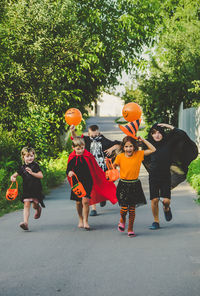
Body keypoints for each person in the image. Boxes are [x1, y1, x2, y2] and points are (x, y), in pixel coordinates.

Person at [144, 123, 199, 230]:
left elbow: (181, 134)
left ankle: (166, 208)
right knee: (154, 200)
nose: (157, 135)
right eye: (154, 133)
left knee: (166, 200)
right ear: (151, 135)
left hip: (166, 176)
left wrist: (167, 125)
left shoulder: (169, 142)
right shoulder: (148, 143)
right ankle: (156, 221)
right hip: (153, 177)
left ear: (163, 133)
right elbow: (130, 146)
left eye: (159, 132)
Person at [66, 137, 118, 230]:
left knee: (85, 201)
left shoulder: (88, 156)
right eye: (78, 149)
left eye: (82, 148)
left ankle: (86, 221)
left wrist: (102, 178)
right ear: (73, 148)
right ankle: (80, 219)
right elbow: (68, 169)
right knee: (78, 202)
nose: (81, 150)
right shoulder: (72, 157)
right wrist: (69, 172)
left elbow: (95, 168)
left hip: (87, 181)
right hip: (76, 182)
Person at [70, 124, 120, 216]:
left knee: (103, 185)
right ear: (88, 134)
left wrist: (111, 149)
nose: (94, 137)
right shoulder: (86, 140)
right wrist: (72, 131)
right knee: (92, 187)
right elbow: (76, 140)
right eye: (92, 135)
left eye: (96, 135)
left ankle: (103, 198)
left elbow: (119, 144)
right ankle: (93, 208)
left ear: (99, 133)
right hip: (89, 167)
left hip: (102, 167)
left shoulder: (103, 140)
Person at [113, 135, 156, 237]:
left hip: (134, 185)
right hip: (123, 184)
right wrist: (111, 169)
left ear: (134, 147)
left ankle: (130, 229)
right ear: (123, 147)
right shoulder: (120, 157)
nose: (129, 149)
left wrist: (143, 140)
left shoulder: (139, 154)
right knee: (124, 209)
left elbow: (153, 149)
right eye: (126, 146)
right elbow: (113, 166)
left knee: (132, 209)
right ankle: (122, 220)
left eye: (131, 146)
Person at [10, 147, 45, 231]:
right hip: (27, 189)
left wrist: (32, 173)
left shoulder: (35, 165)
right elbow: (14, 175)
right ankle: (25, 223)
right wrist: (12, 178)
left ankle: (38, 209)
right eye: (27, 156)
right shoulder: (22, 168)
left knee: (35, 205)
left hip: (36, 189)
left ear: (34, 156)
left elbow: (41, 176)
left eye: (31, 156)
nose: (30, 158)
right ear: (23, 157)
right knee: (26, 204)